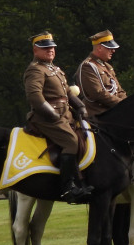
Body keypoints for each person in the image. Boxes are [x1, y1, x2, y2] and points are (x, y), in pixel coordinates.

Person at [24, 32, 92, 203]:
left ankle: (81, 181)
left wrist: (81, 106)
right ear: (35, 50)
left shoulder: (55, 69)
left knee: (86, 136)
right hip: (45, 118)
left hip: (65, 115)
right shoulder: (35, 69)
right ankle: (68, 188)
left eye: (52, 47)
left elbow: (68, 92)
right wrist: (52, 114)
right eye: (45, 48)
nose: (50, 50)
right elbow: (35, 97)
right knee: (71, 142)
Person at [77, 30, 127, 118]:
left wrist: (129, 103)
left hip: (113, 111)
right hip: (100, 114)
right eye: (109, 48)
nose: (113, 51)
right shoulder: (87, 67)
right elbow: (98, 93)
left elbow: (119, 90)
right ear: (99, 47)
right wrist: (122, 104)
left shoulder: (107, 66)